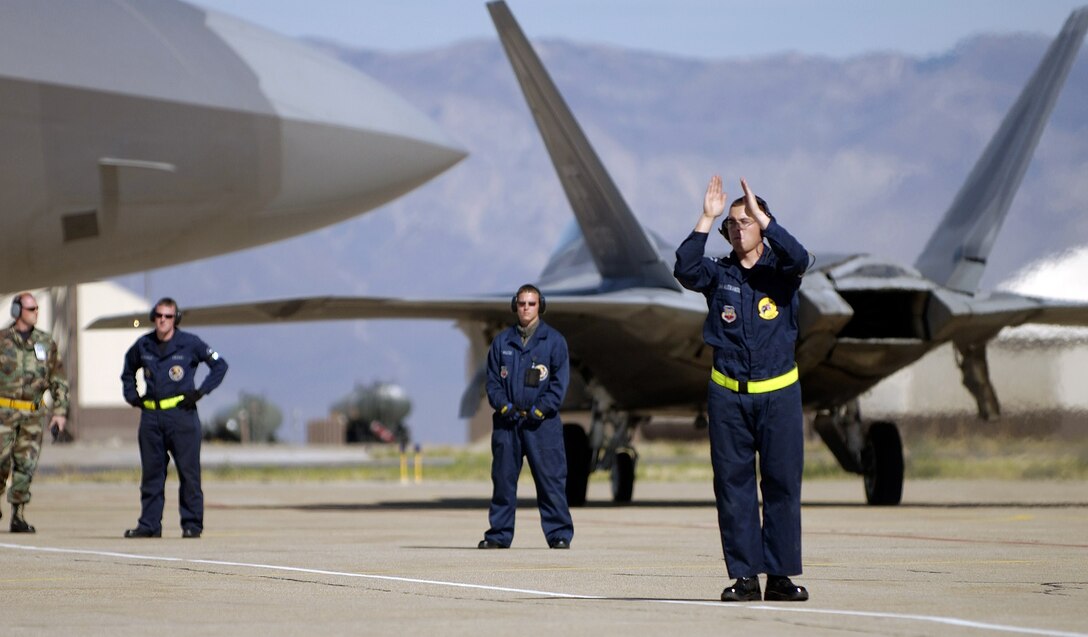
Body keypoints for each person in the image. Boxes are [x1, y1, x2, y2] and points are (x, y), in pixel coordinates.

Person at [673, 176, 810, 602]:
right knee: (733, 488)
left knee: (782, 485)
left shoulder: (782, 273)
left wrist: (766, 221)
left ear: (763, 223)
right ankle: (745, 577)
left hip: (779, 393)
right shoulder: (719, 274)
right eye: (730, 224)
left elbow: (800, 257)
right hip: (728, 394)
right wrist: (706, 217)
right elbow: (684, 269)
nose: (736, 228)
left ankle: (781, 578)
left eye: (744, 220)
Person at [121, 297, 227, 539]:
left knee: (189, 474)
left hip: (182, 416)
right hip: (151, 416)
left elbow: (220, 366)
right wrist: (133, 396)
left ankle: (191, 524)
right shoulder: (143, 344)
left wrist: (200, 392)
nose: (162, 320)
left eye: (168, 316)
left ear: (175, 319)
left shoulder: (190, 344)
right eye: (158, 315)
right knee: (151, 474)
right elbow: (128, 370)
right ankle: (149, 524)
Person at [478, 284, 574, 549]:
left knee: (551, 481)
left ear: (539, 306)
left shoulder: (554, 341)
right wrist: (504, 406)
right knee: (503, 482)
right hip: (508, 424)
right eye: (522, 303)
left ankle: (559, 534)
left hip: (542, 425)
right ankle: (498, 535)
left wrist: (542, 409)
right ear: (515, 305)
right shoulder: (502, 342)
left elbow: (559, 382)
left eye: (531, 304)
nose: (526, 308)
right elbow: (493, 382)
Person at [0, 292, 69, 533]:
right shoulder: (2, 340)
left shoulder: (45, 343)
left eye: (37, 308)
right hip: (3, 414)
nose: (36, 313)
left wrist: (60, 412)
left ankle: (17, 515)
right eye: (31, 309)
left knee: (25, 465)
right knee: (1, 462)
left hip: (32, 416)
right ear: (18, 312)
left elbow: (58, 380)